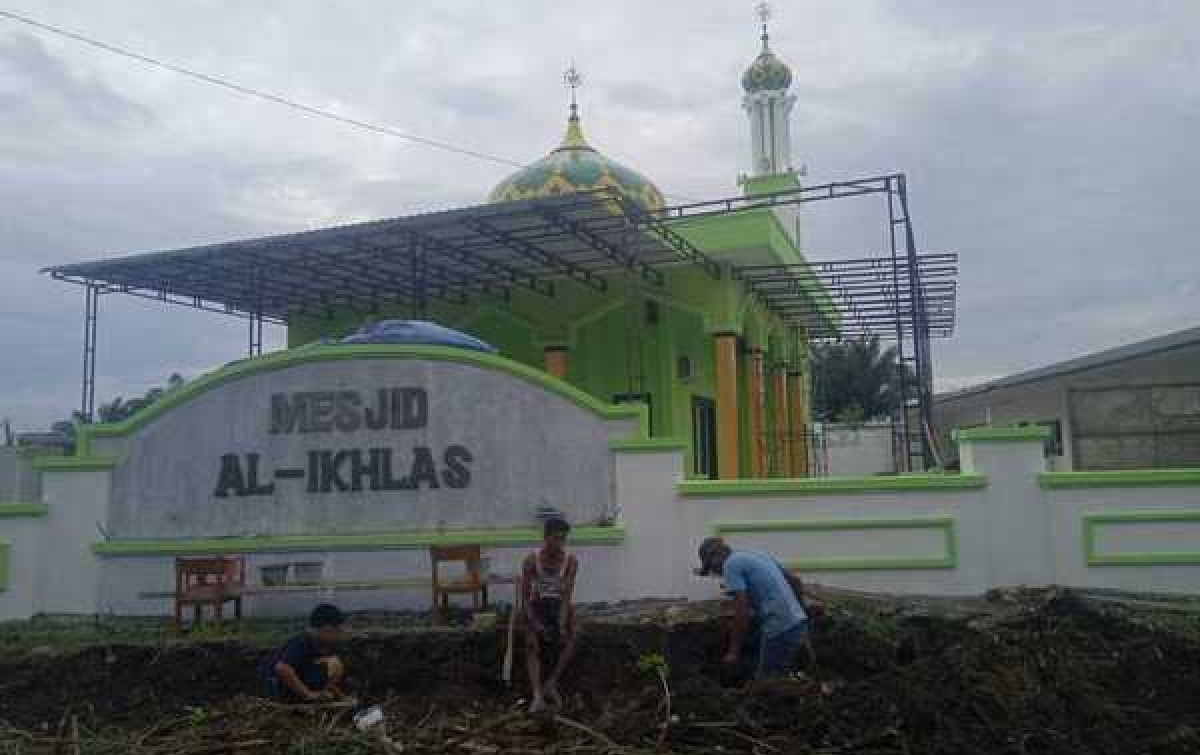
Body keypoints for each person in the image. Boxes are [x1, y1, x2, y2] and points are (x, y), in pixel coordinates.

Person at [696, 536, 809, 679]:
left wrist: (733, 651)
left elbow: (742, 612)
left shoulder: (730, 565)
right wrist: (800, 615)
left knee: (766, 684)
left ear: (716, 555)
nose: (716, 572)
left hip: (780, 628)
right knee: (790, 677)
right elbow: (796, 581)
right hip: (798, 624)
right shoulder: (756, 554)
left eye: (711, 566)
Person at [522, 516, 579, 713]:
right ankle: (537, 694)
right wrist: (534, 622)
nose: (560, 543)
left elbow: (566, 597)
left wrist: (561, 625)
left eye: (563, 539)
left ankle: (552, 682)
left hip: (558, 605)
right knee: (531, 643)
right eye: (556, 538)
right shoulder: (531, 560)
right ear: (546, 537)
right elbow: (525, 599)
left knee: (573, 636)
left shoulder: (570, 562)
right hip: (537, 604)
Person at [262, 603, 348, 702]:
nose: (339, 633)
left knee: (335, 664)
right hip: (282, 689)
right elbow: (282, 668)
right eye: (335, 629)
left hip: (306, 684)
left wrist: (340, 696)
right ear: (323, 628)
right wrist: (308, 694)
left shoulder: (329, 646)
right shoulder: (302, 643)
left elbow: (329, 674)